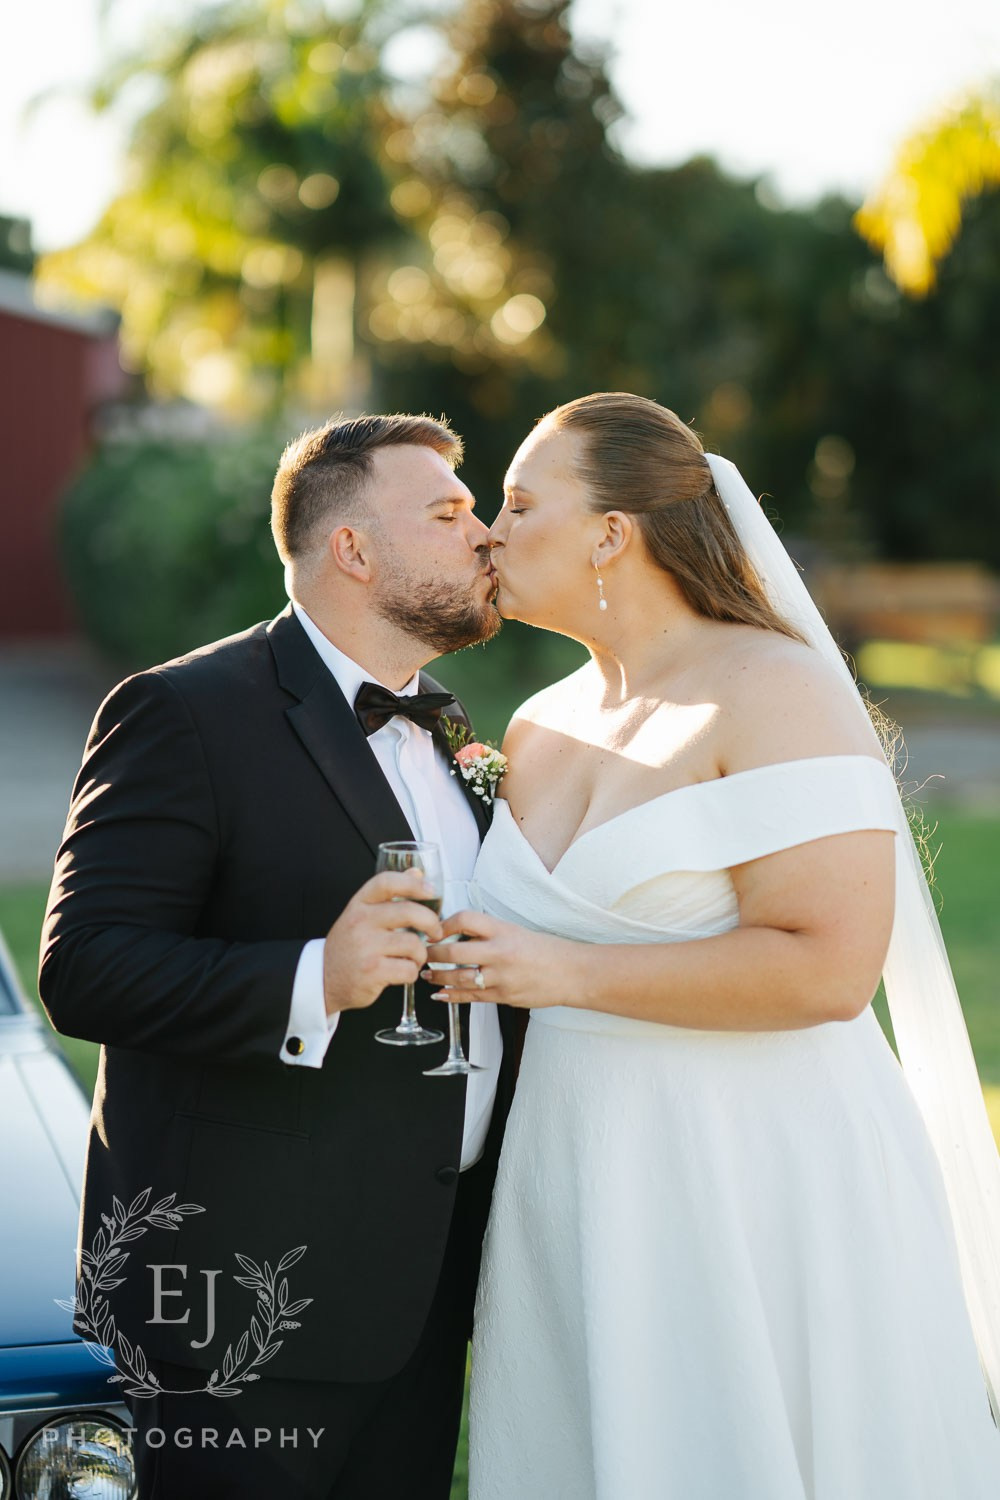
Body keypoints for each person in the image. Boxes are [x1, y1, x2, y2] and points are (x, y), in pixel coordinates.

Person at [425, 392, 1000, 1498]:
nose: (490, 531)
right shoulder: (540, 725)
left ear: (610, 532)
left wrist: (564, 974)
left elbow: (830, 967)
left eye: (518, 502)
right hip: (578, 1165)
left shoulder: (775, 690)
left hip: (753, 1168)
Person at [39, 413, 516, 1500]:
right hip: (239, 1311)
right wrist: (316, 977)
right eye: (448, 513)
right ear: (351, 548)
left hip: (421, 1301)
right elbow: (86, 964)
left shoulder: (449, 729)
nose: (483, 535)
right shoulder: (183, 712)